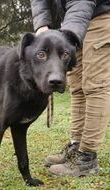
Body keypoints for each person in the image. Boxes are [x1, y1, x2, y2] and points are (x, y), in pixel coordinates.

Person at [30, 0, 110, 176]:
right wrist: (42, 25)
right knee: (77, 87)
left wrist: (68, 33)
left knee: (95, 85)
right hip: (71, 21)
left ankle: (87, 158)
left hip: (100, 17)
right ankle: (76, 146)